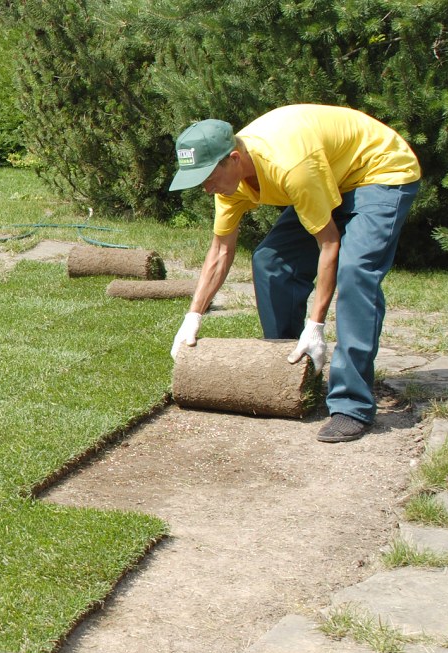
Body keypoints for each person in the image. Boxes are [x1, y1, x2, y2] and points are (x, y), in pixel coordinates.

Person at [168, 104, 421, 443]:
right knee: (271, 262)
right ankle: (290, 370)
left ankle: (351, 405)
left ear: (233, 158)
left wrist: (315, 326)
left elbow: (329, 244)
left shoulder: (290, 166)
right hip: (330, 174)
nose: (206, 188)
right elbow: (220, 251)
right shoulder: (231, 183)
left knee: (355, 271)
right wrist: (193, 315)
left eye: (207, 177)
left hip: (378, 169)